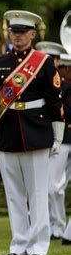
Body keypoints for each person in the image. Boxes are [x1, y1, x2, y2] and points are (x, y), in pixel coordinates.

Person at [0, 10, 64, 255]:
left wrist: (57, 134)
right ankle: (19, 244)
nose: (17, 36)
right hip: (7, 133)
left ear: (32, 34)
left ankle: (39, 246)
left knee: (38, 193)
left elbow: (54, 100)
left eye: (22, 32)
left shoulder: (44, 62)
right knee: (14, 194)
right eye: (13, 31)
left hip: (36, 132)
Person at [36, 41, 68, 240]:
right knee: (41, 186)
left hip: (62, 139)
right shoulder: (36, 85)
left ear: (57, 61)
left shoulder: (64, 85)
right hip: (41, 137)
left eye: (50, 59)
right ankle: (46, 225)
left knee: (55, 187)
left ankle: (59, 226)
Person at [55, 53, 71, 245]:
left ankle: (66, 232)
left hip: (65, 137)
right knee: (55, 187)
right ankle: (59, 228)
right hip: (62, 138)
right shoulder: (60, 87)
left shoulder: (64, 87)